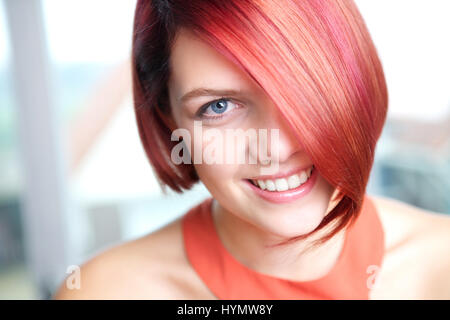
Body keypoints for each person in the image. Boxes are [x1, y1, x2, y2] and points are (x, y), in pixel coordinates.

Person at [54, 0, 450, 299]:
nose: (275, 149)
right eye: (218, 107)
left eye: (303, 90)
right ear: (171, 121)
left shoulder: (440, 262)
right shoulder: (105, 291)